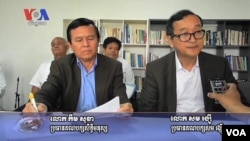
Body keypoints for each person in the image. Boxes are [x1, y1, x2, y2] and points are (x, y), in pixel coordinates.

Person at [23, 18, 133, 113]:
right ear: (70, 45)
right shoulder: (61, 65)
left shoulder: (113, 66)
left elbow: (121, 97)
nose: (85, 44)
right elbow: (48, 91)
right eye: (79, 40)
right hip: (71, 125)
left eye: (90, 39)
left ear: (98, 40)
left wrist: (125, 106)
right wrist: (40, 104)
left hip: (103, 124)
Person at [139, 9, 240, 112]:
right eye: (184, 34)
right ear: (170, 41)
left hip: (209, 124)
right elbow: (146, 109)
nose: (193, 40)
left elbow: (239, 103)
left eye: (197, 32)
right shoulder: (156, 69)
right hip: (170, 125)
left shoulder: (219, 64)